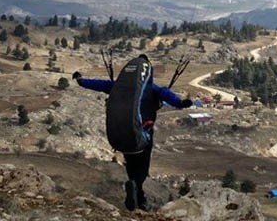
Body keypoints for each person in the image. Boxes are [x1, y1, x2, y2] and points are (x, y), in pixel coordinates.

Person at [74, 55, 192, 211]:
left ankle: (138, 196)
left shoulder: (117, 86)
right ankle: (137, 189)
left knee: (131, 165)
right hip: (142, 138)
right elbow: (168, 96)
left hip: (122, 137)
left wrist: (81, 81)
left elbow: (99, 84)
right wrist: (182, 103)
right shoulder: (152, 89)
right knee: (142, 169)